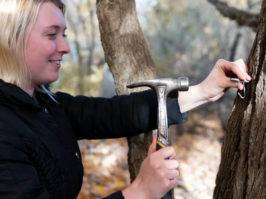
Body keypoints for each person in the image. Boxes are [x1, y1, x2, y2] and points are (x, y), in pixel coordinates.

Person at [0, 0, 251, 199]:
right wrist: (139, 192)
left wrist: (202, 90)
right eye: (52, 34)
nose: (65, 46)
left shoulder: (44, 104)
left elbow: (114, 114)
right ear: (11, 38)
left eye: (63, 34)